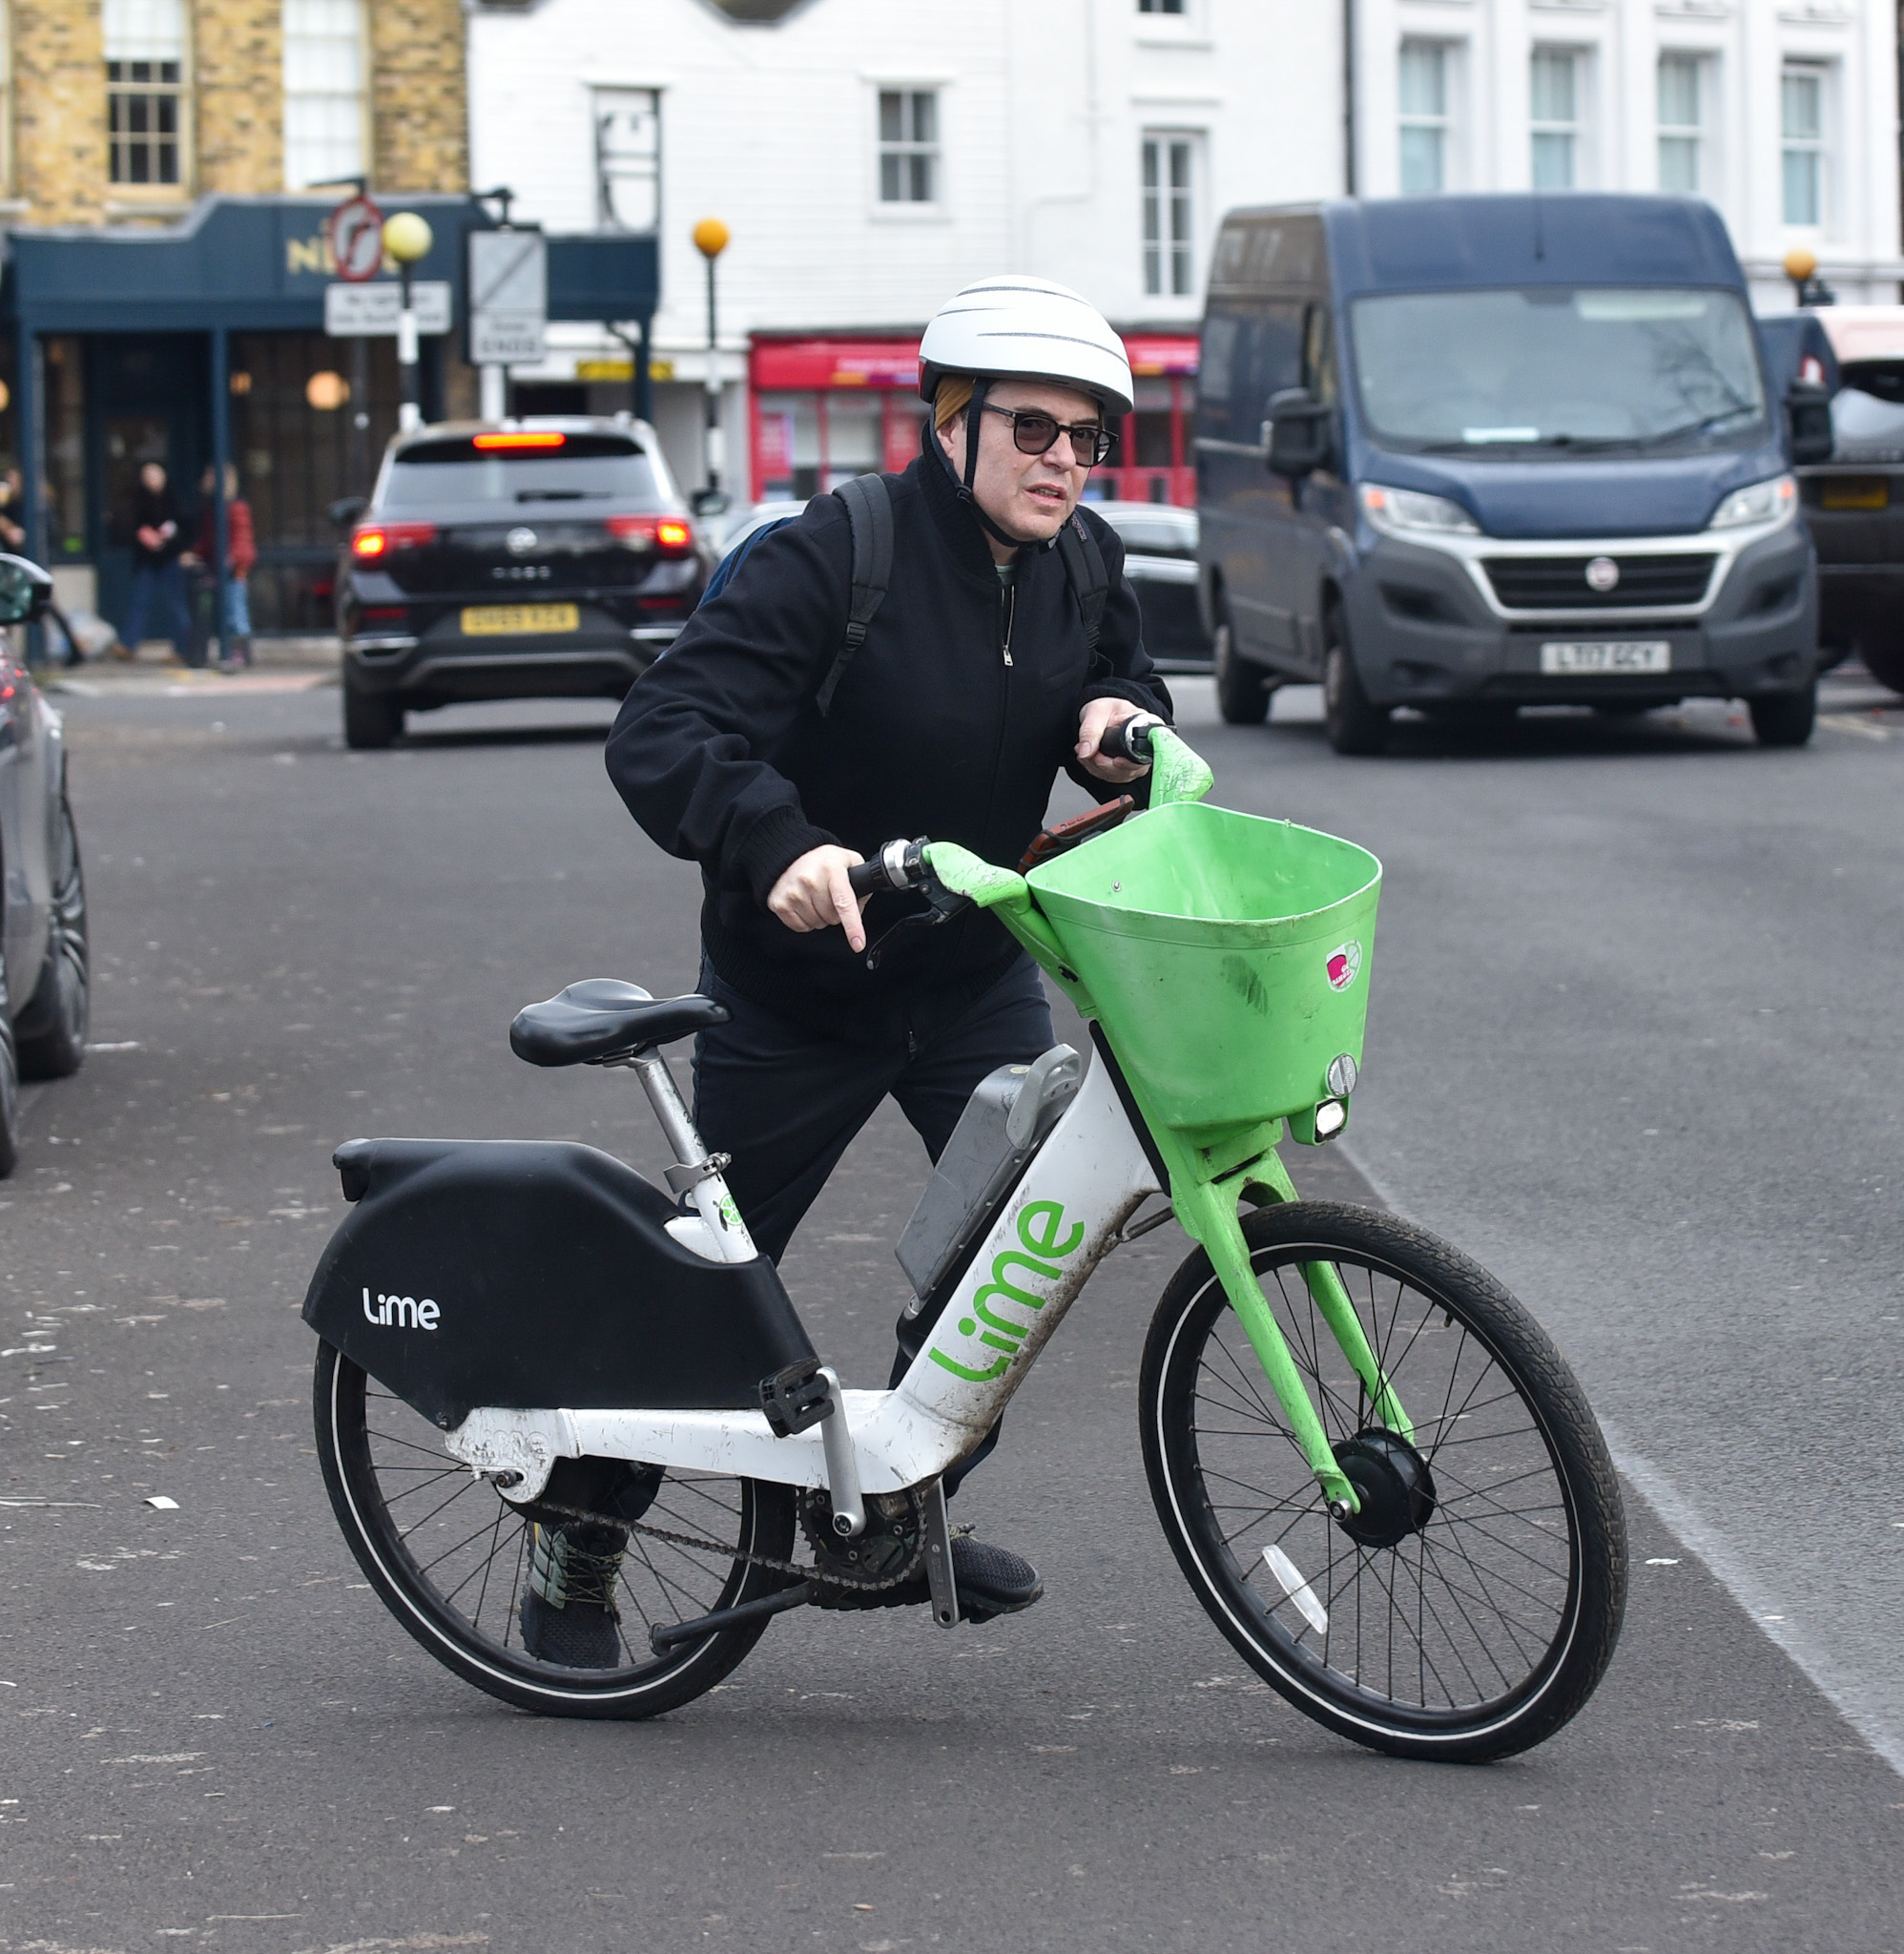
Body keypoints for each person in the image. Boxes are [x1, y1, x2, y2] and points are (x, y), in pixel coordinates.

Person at [569, 276, 1171, 1669]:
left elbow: (1129, 678)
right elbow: (665, 728)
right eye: (1035, 429)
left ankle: (897, 1500)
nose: (1065, 461)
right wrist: (774, 839)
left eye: (1091, 438)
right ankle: (577, 1546)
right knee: (706, 1298)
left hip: (969, 976)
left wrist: (1118, 719)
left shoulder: (1080, 562)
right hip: (800, 994)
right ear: (950, 421)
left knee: (1026, 1239)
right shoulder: (835, 557)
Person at [117, 461, 197, 666]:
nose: (150, 481)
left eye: (154, 476)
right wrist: (143, 535)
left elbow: (187, 528)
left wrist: (174, 542)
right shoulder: (139, 501)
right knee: (139, 603)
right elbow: (127, 525)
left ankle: (183, 649)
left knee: (177, 605)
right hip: (148, 561)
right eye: (146, 477)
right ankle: (128, 645)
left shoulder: (175, 500)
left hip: (171, 559)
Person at [187, 462, 257, 671]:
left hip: (235, 567)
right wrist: (195, 553)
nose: (205, 481)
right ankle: (228, 651)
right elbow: (210, 540)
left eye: (209, 477)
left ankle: (242, 653)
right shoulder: (212, 508)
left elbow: (242, 538)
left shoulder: (236, 507)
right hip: (218, 566)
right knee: (225, 609)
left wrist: (233, 557)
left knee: (235, 610)